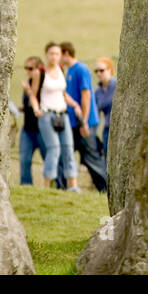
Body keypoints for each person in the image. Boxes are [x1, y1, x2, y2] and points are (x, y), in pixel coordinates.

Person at [60, 42, 108, 193]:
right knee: (65, 154)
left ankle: (106, 190)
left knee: (92, 159)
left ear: (66, 53)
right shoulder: (69, 71)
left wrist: (84, 121)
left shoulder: (81, 69)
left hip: (85, 123)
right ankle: (62, 187)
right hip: (73, 123)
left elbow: (86, 94)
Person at [31, 42, 78, 190]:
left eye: (57, 54)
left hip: (62, 114)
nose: (54, 57)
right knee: (54, 148)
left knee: (68, 148)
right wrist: (36, 109)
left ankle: (73, 186)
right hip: (47, 114)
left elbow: (63, 94)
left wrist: (75, 105)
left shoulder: (61, 70)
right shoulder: (40, 72)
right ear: (46, 54)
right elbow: (33, 94)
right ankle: (47, 185)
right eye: (51, 53)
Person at [18, 55, 46, 185]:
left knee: (48, 158)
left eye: (31, 68)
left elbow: (38, 103)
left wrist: (29, 92)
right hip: (27, 129)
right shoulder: (27, 85)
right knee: (24, 159)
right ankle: (26, 185)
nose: (28, 71)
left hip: (41, 129)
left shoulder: (44, 86)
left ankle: (54, 186)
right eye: (26, 68)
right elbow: (29, 104)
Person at [93, 57, 116, 157]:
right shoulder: (97, 92)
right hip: (107, 130)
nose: (99, 73)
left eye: (101, 70)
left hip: (119, 129)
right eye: (96, 71)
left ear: (110, 70)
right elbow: (96, 113)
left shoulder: (118, 86)